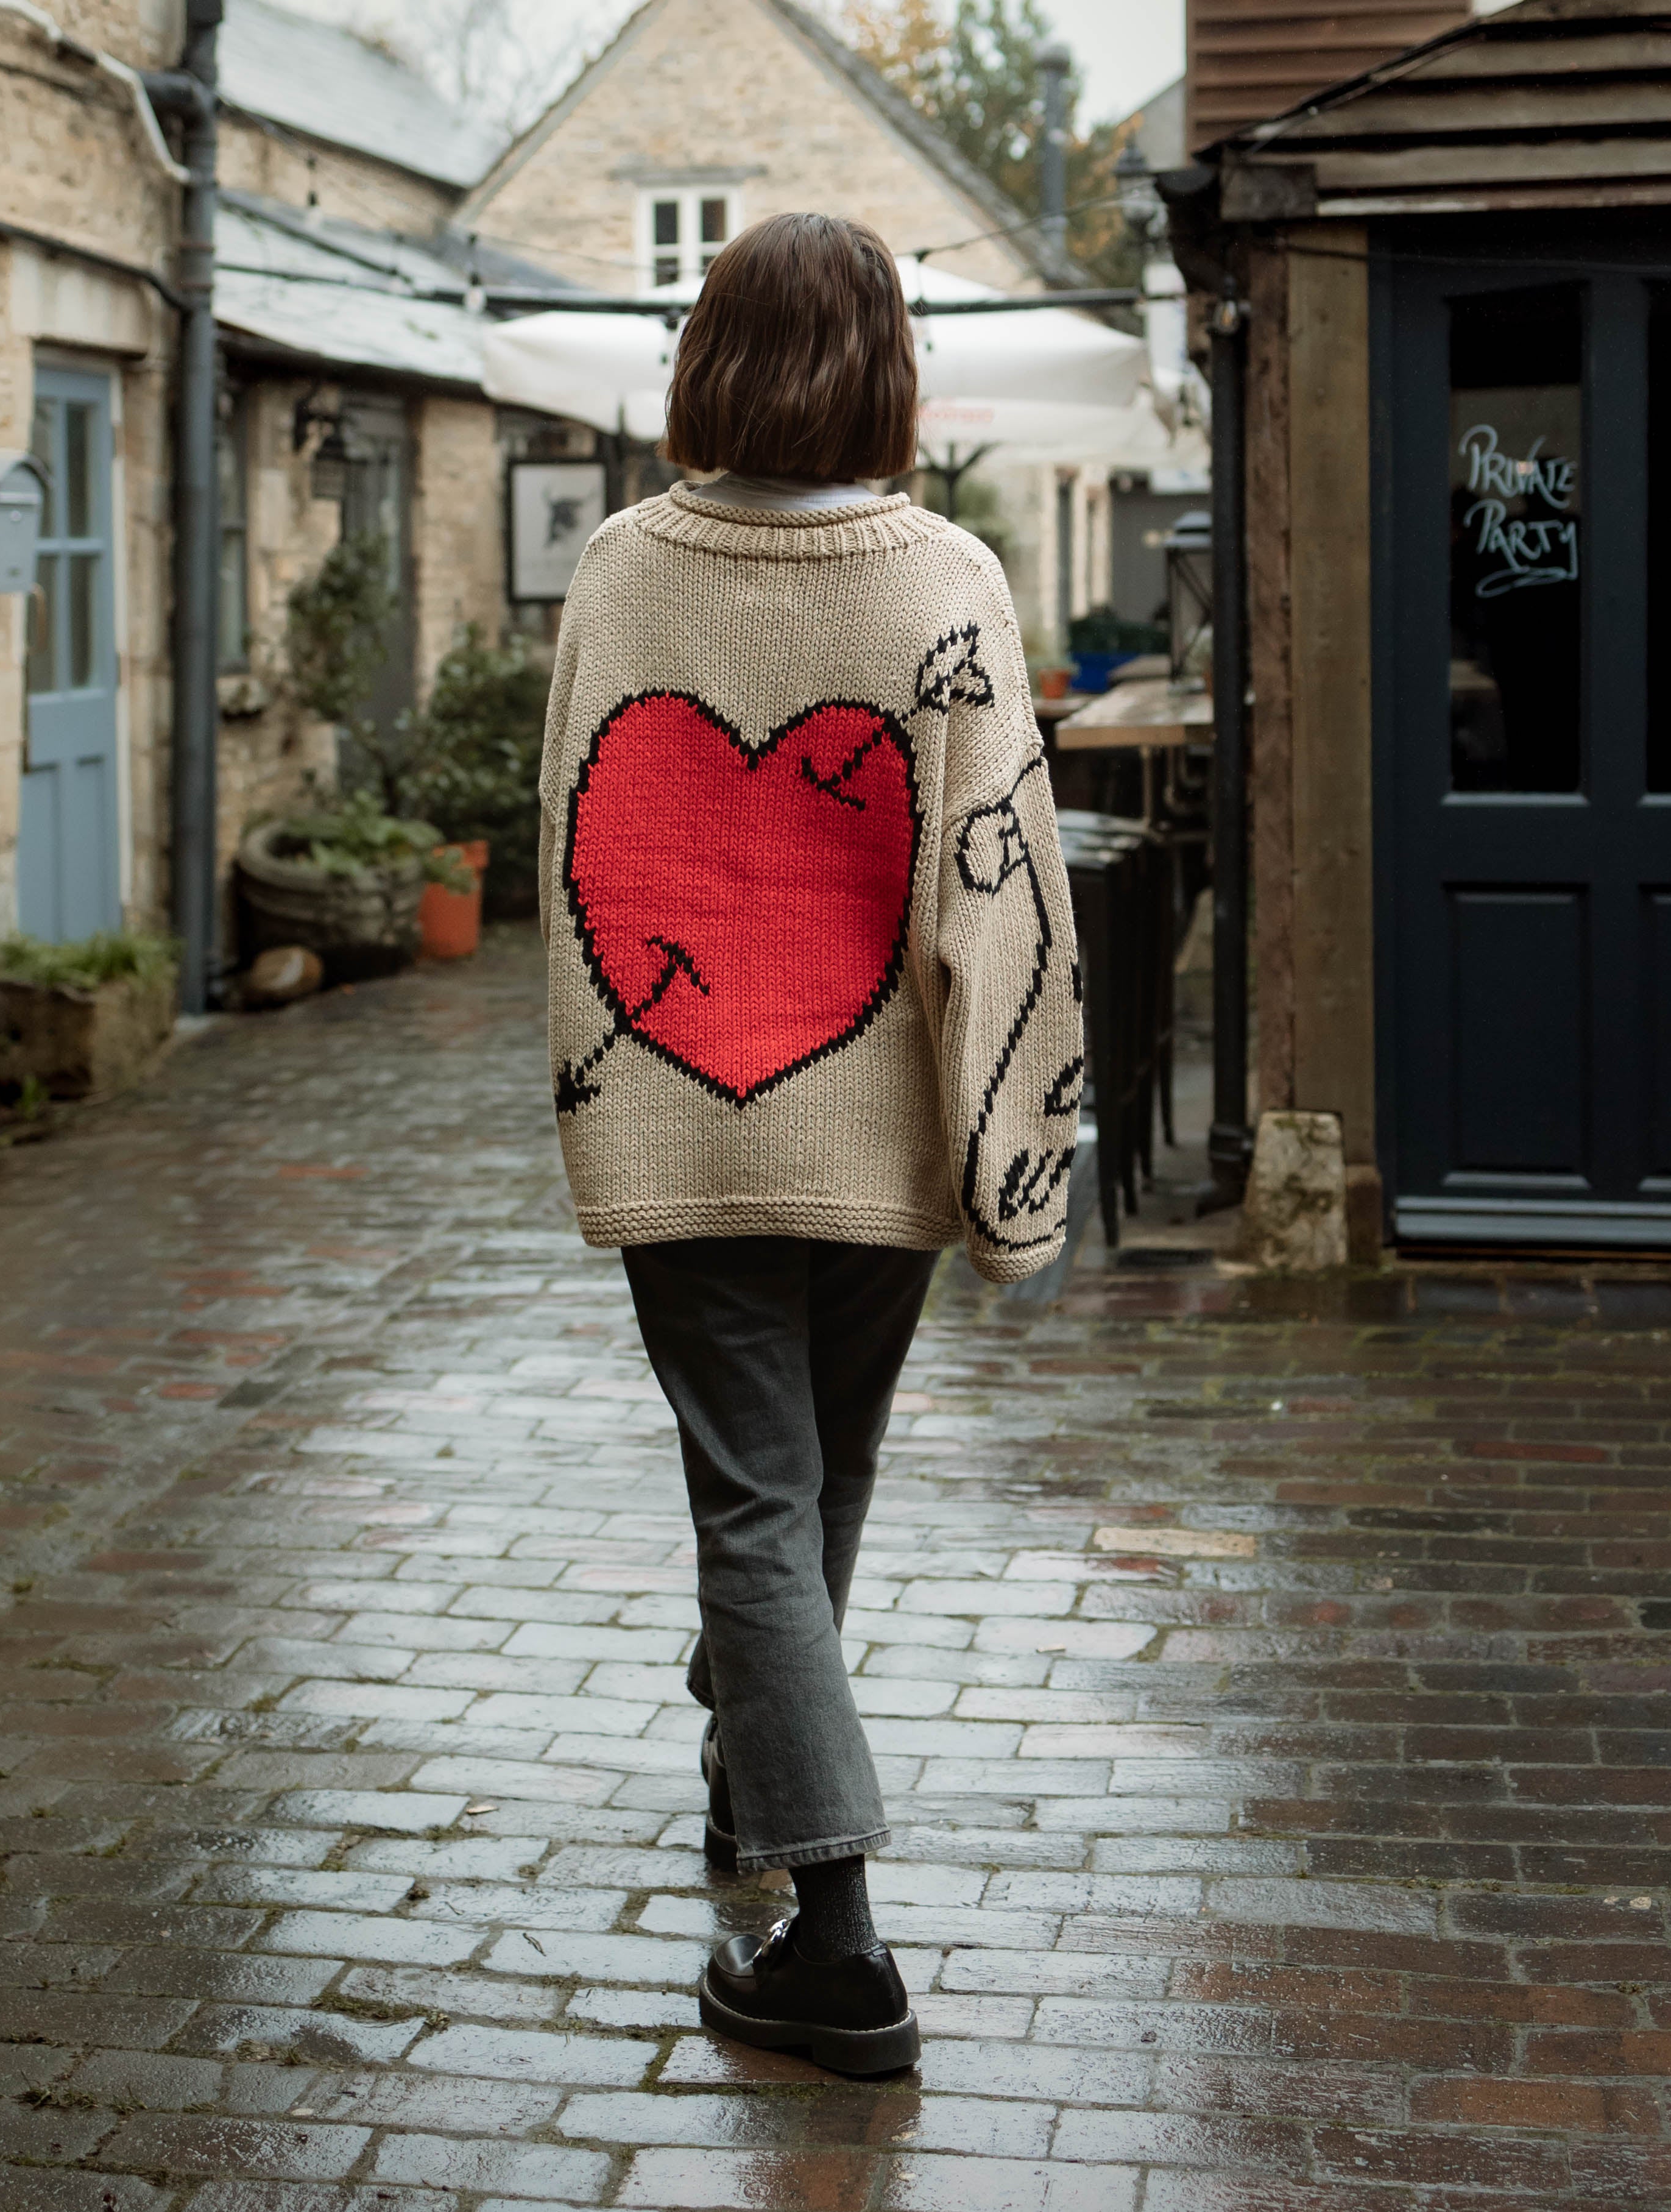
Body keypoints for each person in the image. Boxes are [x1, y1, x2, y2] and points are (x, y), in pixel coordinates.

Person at [538, 211, 1083, 2075]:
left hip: (682, 1123)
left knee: (759, 1509)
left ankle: (834, 1941)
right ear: (888, 369)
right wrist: (1013, 1160)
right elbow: (1002, 897)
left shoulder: (624, 569)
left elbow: (569, 856)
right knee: (807, 1493)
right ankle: (755, 1785)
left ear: (709, 357)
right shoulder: (947, 577)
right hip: (885, 1132)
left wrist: (592, 1102)